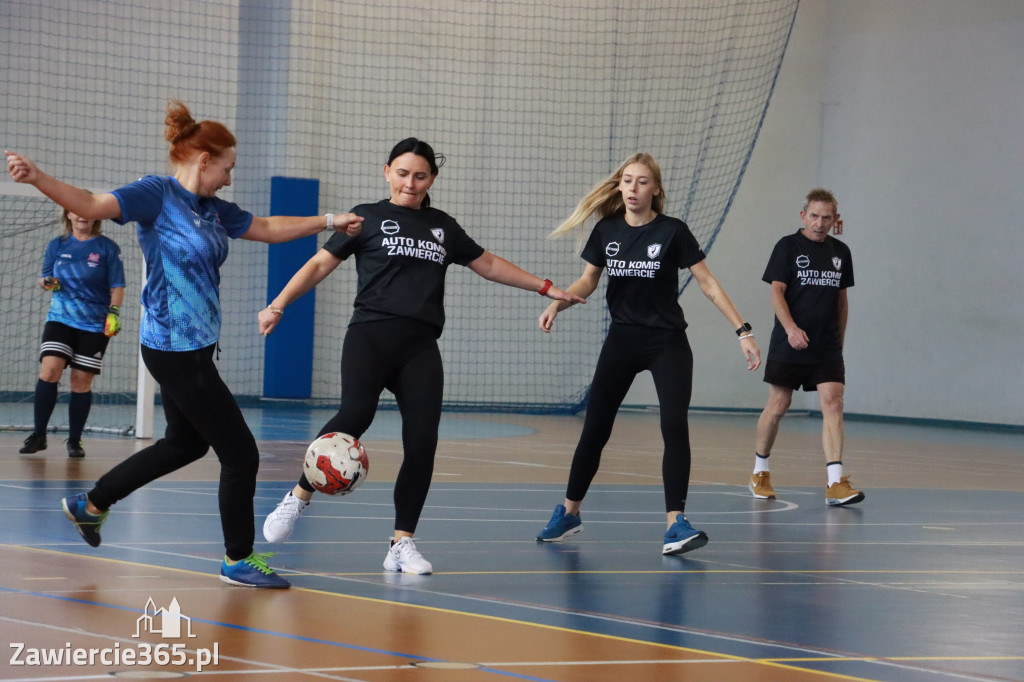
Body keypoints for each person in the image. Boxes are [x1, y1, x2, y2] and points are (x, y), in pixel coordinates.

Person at [5, 100, 363, 588]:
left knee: (184, 444)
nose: (229, 179)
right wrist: (38, 177)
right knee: (241, 454)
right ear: (204, 160)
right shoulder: (157, 195)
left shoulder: (214, 211)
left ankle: (91, 505)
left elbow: (267, 228)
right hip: (171, 347)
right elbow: (90, 205)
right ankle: (237, 559)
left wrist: (329, 220)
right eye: (227, 168)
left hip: (196, 348)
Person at [259, 137, 584, 574]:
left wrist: (545, 288)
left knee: (423, 441)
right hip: (370, 337)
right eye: (402, 173)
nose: (410, 183)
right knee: (355, 414)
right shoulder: (366, 218)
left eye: (420, 176)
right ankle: (297, 498)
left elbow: (487, 263)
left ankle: (401, 543)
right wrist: (278, 303)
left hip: (419, 346)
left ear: (432, 178)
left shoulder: (443, 226)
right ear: (387, 171)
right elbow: (319, 264)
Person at [534, 153, 761, 556]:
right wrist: (558, 303)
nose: (633, 188)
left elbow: (707, 283)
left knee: (674, 427)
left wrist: (742, 330)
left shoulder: (673, 231)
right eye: (627, 181)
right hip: (621, 340)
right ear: (619, 187)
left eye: (642, 182)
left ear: (656, 188)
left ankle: (675, 524)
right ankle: (569, 513)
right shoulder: (607, 230)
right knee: (595, 430)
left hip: (667, 343)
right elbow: (588, 280)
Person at [748, 188, 862, 506]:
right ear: (804, 216)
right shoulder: (787, 247)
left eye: (826, 218)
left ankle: (836, 482)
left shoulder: (841, 253)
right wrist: (791, 329)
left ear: (834, 220)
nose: (819, 223)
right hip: (789, 343)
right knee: (778, 406)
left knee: (833, 402)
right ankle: (760, 471)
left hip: (826, 346)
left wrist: (839, 340)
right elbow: (777, 294)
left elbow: (842, 301)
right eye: (814, 216)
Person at [19, 206, 126, 458]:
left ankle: (75, 441)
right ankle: (39, 435)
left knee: (80, 382)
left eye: (86, 210)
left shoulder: (107, 248)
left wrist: (114, 313)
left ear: (95, 216)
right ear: (68, 215)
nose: (82, 215)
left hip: (94, 325)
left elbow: (118, 286)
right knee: (49, 371)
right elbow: (45, 278)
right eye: (75, 210)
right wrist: (48, 283)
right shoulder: (57, 245)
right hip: (60, 319)